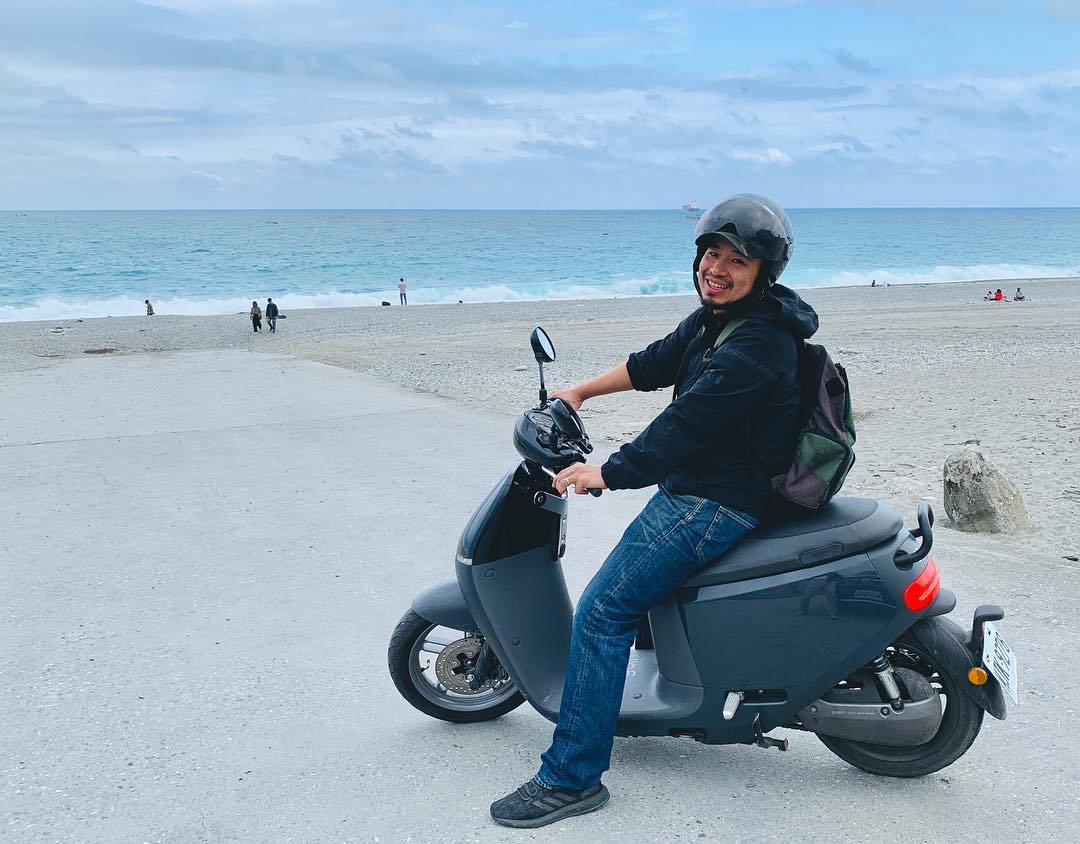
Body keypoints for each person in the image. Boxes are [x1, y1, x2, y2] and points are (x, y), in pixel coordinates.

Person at [489, 194, 819, 829]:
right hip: (702, 487)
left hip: (714, 502)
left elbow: (683, 428)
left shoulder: (759, 343)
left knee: (602, 611)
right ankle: (638, 697)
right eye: (711, 254)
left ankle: (572, 777)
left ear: (763, 270)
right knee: (633, 595)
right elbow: (655, 362)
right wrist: (580, 391)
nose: (716, 269)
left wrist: (607, 473)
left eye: (736, 260)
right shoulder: (720, 318)